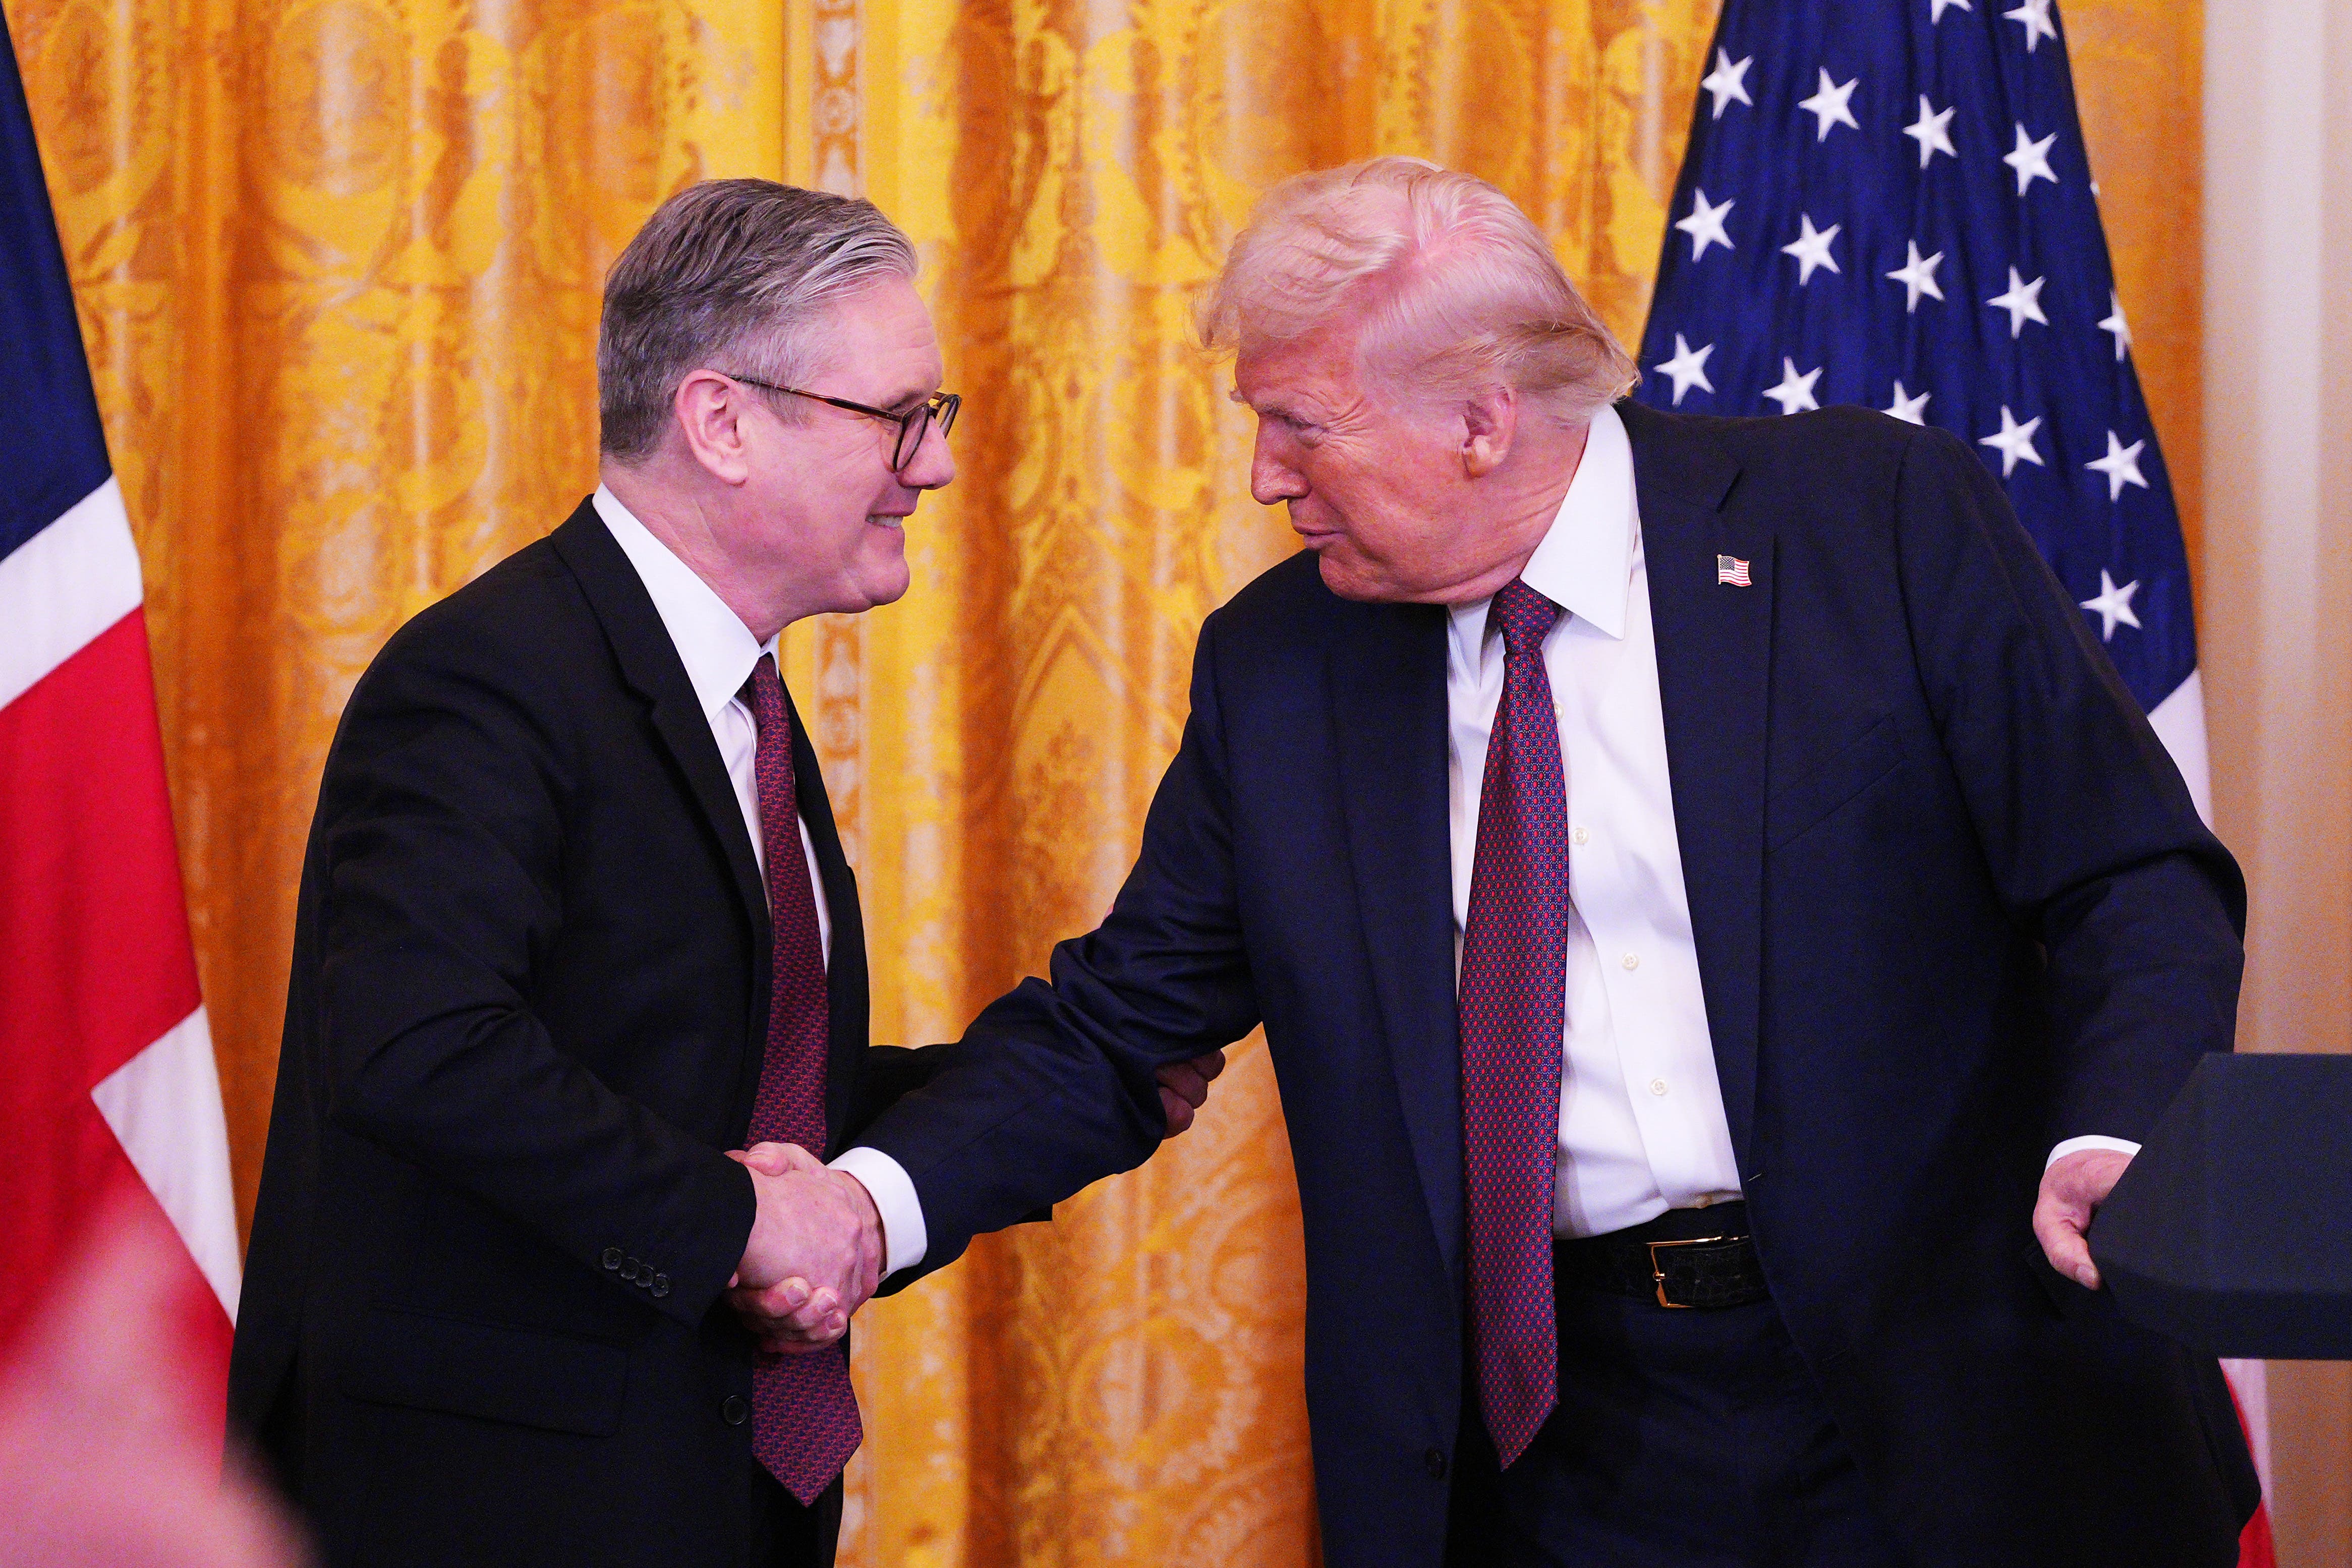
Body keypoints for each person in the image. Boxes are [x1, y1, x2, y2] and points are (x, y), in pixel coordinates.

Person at [838, 159, 2261, 1566]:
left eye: (1298, 427)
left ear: (1479, 418)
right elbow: (1114, 1029)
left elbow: (2126, 873)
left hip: (1960, 1396)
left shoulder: (1868, 521)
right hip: (1558, 1453)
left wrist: (2117, 1133)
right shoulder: (1283, 669)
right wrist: (862, 1207)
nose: (1267, 477)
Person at [227, 179, 1221, 1568]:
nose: (933, 467)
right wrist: (749, 1219)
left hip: (711, 1491)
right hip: (495, 1506)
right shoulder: (488, 676)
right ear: (722, 422)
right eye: (901, 418)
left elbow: (712, 1083)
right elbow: (420, 1047)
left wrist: (1058, 1087)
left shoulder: (732, 695)